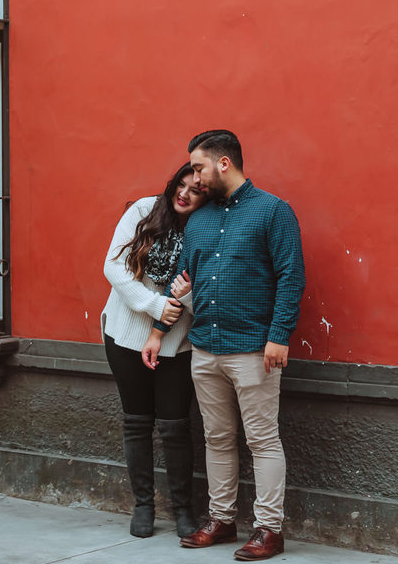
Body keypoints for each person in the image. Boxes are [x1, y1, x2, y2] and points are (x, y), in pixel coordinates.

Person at [142, 130, 304, 562]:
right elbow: (182, 280)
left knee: (262, 439)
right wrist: (158, 329)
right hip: (206, 347)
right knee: (216, 437)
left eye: (198, 167)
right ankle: (222, 519)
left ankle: (269, 529)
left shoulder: (273, 212)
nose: (194, 178)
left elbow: (291, 277)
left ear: (223, 163)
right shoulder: (199, 219)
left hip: (254, 348)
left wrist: (279, 336)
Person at [101, 162, 207, 539]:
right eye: (181, 185)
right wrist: (154, 305)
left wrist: (185, 298)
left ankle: (183, 510)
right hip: (125, 337)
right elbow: (114, 268)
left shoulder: (204, 229)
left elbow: (207, 294)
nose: (184, 194)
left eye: (195, 190)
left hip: (176, 345)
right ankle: (143, 505)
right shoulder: (144, 211)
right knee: (137, 422)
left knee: (176, 427)